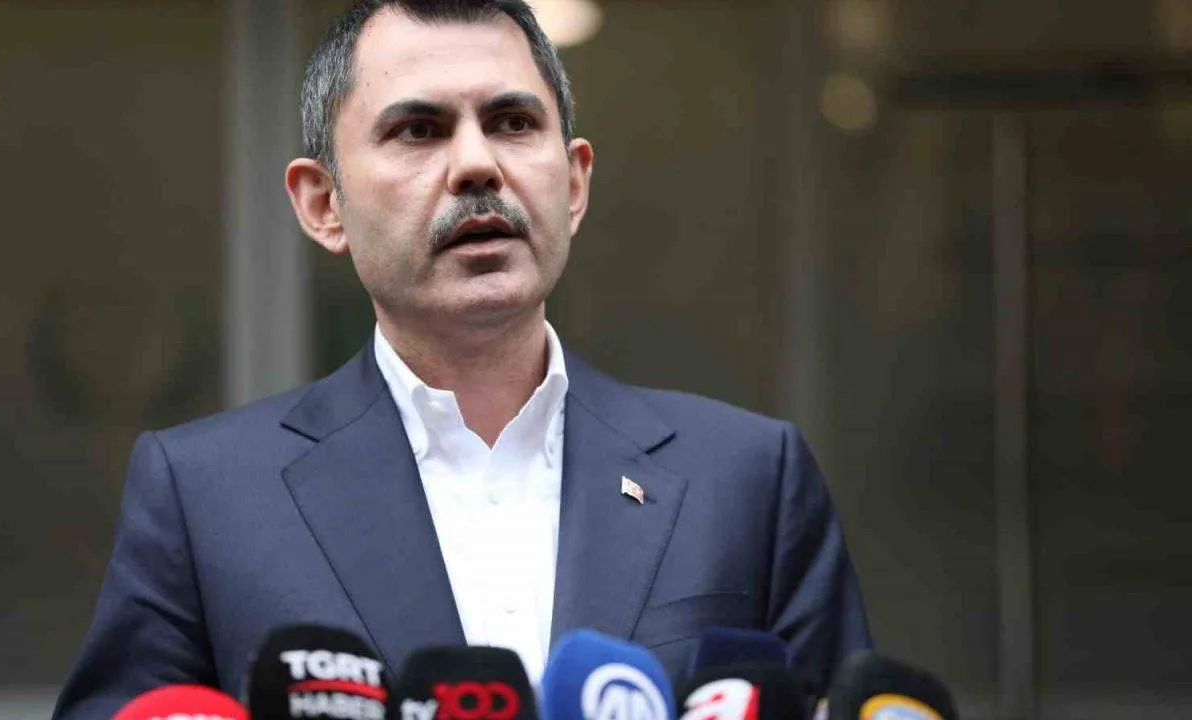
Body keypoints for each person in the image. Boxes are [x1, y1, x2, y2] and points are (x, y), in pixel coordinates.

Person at [55, 1, 871, 716]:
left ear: (574, 184)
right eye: (419, 130)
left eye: (513, 122)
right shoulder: (205, 497)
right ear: (323, 204)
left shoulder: (749, 479)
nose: (478, 164)